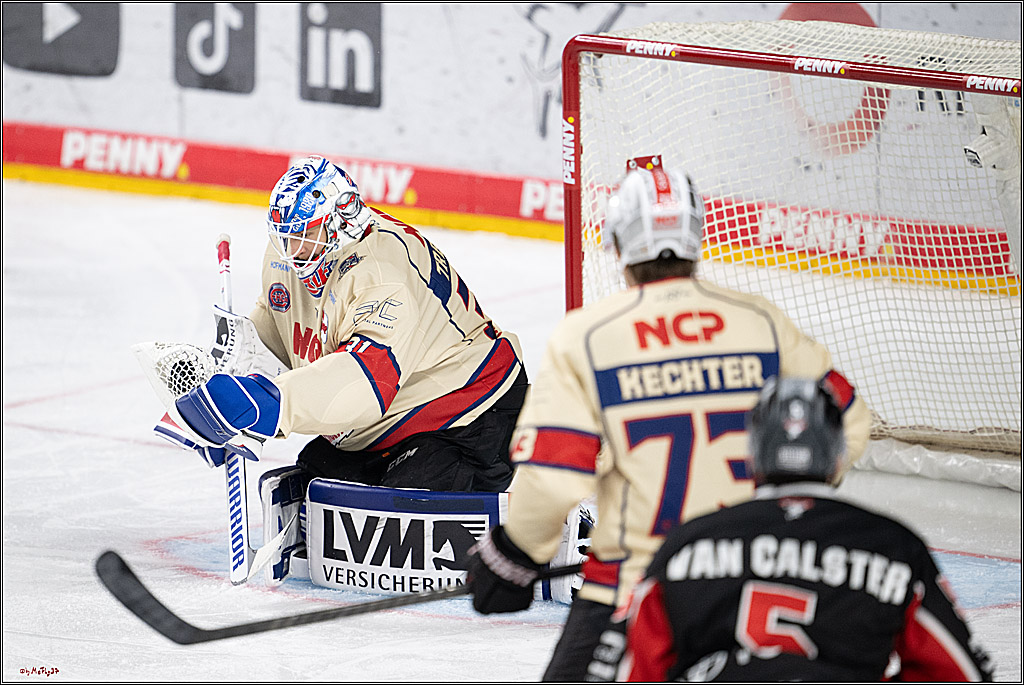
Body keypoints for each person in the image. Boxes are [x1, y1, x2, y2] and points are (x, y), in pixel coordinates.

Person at [465, 155, 872, 681]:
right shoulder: (760, 322)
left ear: (616, 242)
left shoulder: (586, 337)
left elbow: (554, 476)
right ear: (696, 235)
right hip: (758, 588)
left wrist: (513, 555)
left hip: (633, 590)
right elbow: (850, 424)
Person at [589, 376, 995, 682]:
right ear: (836, 455)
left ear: (753, 453)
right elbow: (963, 674)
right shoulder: (894, 547)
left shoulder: (685, 544)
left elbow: (630, 670)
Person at [166, 155, 528, 495]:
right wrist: (233, 391)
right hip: (389, 421)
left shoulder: (383, 273)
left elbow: (367, 379)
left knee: (399, 508)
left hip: (468, 414)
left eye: (304, 234)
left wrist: (270, 404)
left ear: (343, 220)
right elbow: (278, 333)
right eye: (284, 236)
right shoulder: (288, 256)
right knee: (313, 486)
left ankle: (530, 523)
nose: (291, 250)